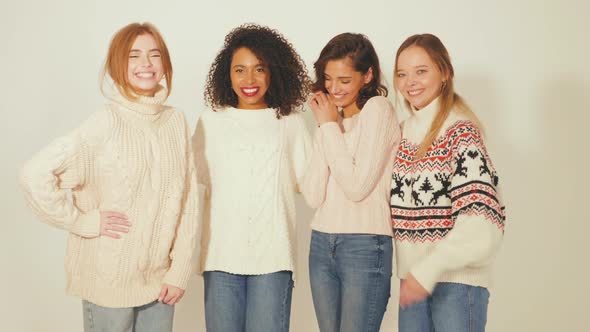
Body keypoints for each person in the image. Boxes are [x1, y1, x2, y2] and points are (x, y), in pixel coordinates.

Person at [20, 22, 199, 332]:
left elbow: (188, 202)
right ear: (118, 64)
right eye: (134, 56)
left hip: (159, 283)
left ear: (165, 63)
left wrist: (179, 270)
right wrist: (81, 221)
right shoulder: (105, 122)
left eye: (154, 55)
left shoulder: (176, 122)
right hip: (108, 280)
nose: (145, 64)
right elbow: (33, 174)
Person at [192, 23, 311, 332]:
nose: (249, 80)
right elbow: (186, 184)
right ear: (226, 75)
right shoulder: (211, 122)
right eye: (239, 70)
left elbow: (313, 187)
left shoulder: (291, 124)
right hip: (220, 258)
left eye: (259, 69)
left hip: (273, 260)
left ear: (274, 72)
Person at [390, 33, 505, 332]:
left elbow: (483, 225)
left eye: (421, 71)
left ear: (444, 72)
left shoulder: (460, 132)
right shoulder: (402, 133)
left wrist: (427, 271)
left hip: (456, 286)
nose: (410, 82)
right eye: (402, 74)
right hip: (413, 285)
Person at [301, 32, 401, 332]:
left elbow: (357, 188)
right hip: (320, 243)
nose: (333, 88)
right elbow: (312, 194)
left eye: (344, 80)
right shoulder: (331, 117)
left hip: (365, 244)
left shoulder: (379, 110)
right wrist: (327, 124)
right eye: (328, 79)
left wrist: (329, 125)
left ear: (367, 75)